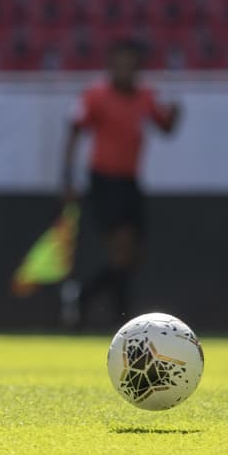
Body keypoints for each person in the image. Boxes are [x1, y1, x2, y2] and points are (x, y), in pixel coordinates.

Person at [58, 38, 180, 328]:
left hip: (130, 181)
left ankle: (83, 296)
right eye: (120, 63)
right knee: (121, 248)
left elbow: (165, 127)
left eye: (131, 64)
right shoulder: (96, 96)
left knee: (133, 257)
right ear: (111, 66)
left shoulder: (145, 97)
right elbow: (75, 131)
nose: (125, 69)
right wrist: (67, 177)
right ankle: (122, 320)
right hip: (104, 180)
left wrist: (176, 115)